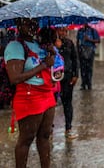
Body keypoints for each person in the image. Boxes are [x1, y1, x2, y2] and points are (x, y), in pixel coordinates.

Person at [4, 18, 56, 168]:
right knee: (26, 139)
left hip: (46, 94)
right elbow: (14, 78)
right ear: (19, 25)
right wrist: (44, 65)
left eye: (34, 23)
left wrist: (51, 53)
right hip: (29, 97)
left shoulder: (38, 43)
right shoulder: (15, 46)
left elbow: (51, 66)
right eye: (27, 23)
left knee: (45, 136)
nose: (32, 26)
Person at [57, 27, 79, 139]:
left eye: (65, 31)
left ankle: (68, 128)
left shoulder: (69, 43)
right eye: (61, 30)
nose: (63, 33)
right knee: (51, 104)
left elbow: (75, 59)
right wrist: (56, 48)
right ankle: (49, 130)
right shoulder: (51, 43)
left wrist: (76, 75)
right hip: (54, 78)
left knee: (68, 103)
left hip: (68, 77)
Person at [76, 23, 99, 90]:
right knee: (83, 68)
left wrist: (89, 39)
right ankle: (83, 84)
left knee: (89, 68)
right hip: (82, 51)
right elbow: (77, 41)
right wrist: (78, 51)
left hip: (90, 51)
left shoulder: (93, 31)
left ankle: (89, 83)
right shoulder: (80, 31)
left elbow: (98, 40)